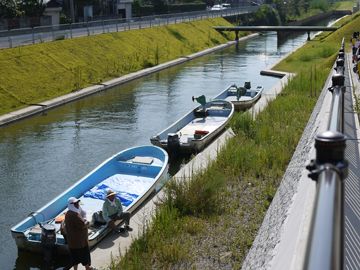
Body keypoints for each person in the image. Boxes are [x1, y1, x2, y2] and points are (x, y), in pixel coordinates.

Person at [64, 197, 95, 270]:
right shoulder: (75, 215)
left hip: (72, 242)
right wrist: (87, 221)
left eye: (77, 203)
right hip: (80, 242)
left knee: (75, 258)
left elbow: (81, 212)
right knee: (84, 256)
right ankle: (88, 268)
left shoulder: (68, 213)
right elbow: (83, 225)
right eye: (75, 203)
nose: (77, 204)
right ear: (71, 205)